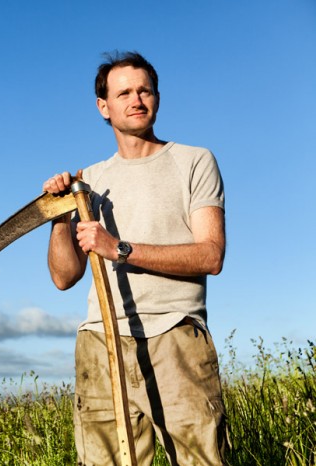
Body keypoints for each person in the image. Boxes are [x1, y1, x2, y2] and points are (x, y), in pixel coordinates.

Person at [43, 51, 228, 465]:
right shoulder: (87, 181)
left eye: (144, 90)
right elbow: (63, 277)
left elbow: (210, 254)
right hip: (101, 341)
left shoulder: (194, 161)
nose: (136, 99)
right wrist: (59, 215)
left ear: (157, 98)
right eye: (123, 92)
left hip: (174, 335)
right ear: (103, 107)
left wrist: (119, 249)